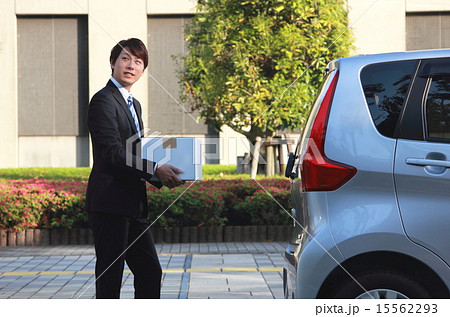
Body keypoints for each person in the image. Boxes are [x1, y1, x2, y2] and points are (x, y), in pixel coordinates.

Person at [86, 38, 183, 299]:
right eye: (125, 58)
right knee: (110, 279)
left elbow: (134, 151)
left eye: (138, 62)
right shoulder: (103, 101)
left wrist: (164, 171)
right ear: (113, 63)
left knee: (150, 272)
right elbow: (112, 153)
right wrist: (155, 169)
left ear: (143, 70)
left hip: (132, 205)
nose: (131, 65)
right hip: (109, 205)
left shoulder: (133, 104)